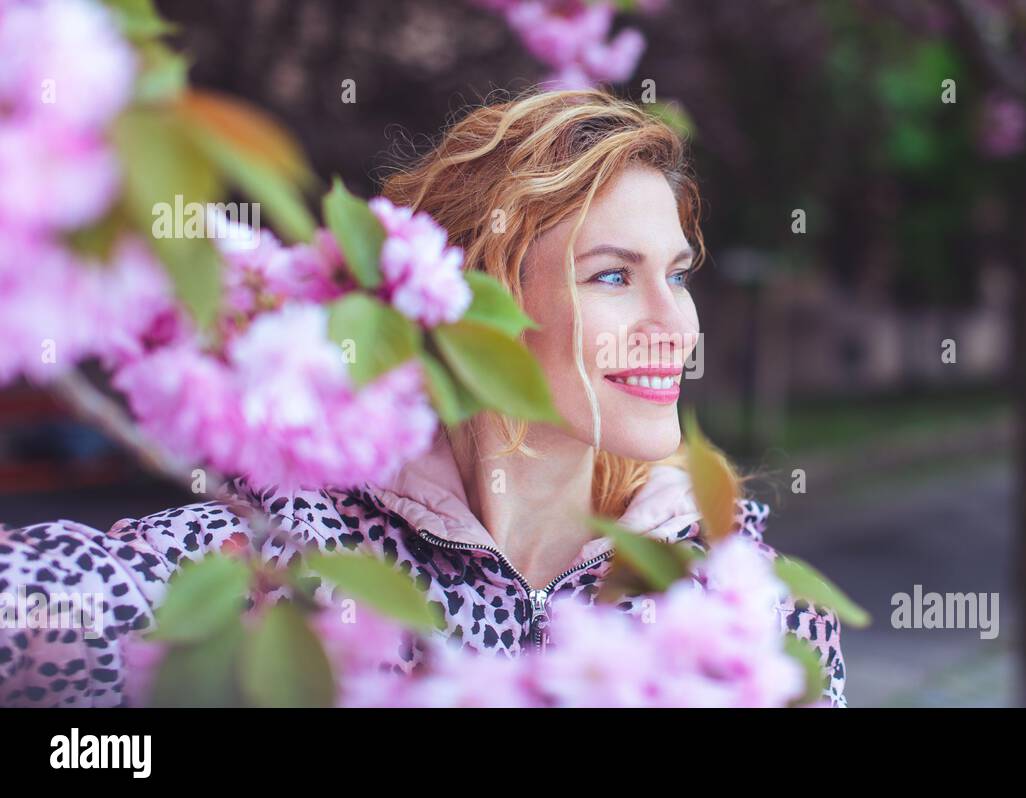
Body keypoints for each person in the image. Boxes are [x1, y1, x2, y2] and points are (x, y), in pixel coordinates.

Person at [0, 89, 846, 708]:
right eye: (614, 276)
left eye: (678, 274)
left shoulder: (741, 609)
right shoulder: (297, 556)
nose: (677, 326)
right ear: (484, 302)